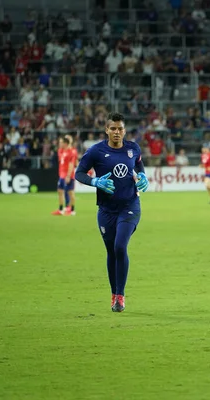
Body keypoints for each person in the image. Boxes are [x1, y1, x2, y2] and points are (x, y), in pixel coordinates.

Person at [75, 113, 149, 312]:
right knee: (111, 252)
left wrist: (143, 176)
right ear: (107, 130)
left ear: (125, 130)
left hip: (130, 207)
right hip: (106, 210)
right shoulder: (96, 152)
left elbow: (139, 164)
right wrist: (95, 181)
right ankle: (114, 294)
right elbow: (79, 173)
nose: (117, 132)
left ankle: (121, 296)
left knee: (119, 246)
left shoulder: (133, 148)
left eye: (120, 129)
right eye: (113, 128)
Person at [52, 135, 78, 216]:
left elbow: (71, 164)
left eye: (61, 142)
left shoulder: (71, 152)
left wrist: (68, 175)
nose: (59, 144)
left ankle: (72, 210)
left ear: (65, 143)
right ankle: (61, 209)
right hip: (62, 175)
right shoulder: (61, 151)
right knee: (60, 191)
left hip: (68, 175)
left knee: (70, 192)